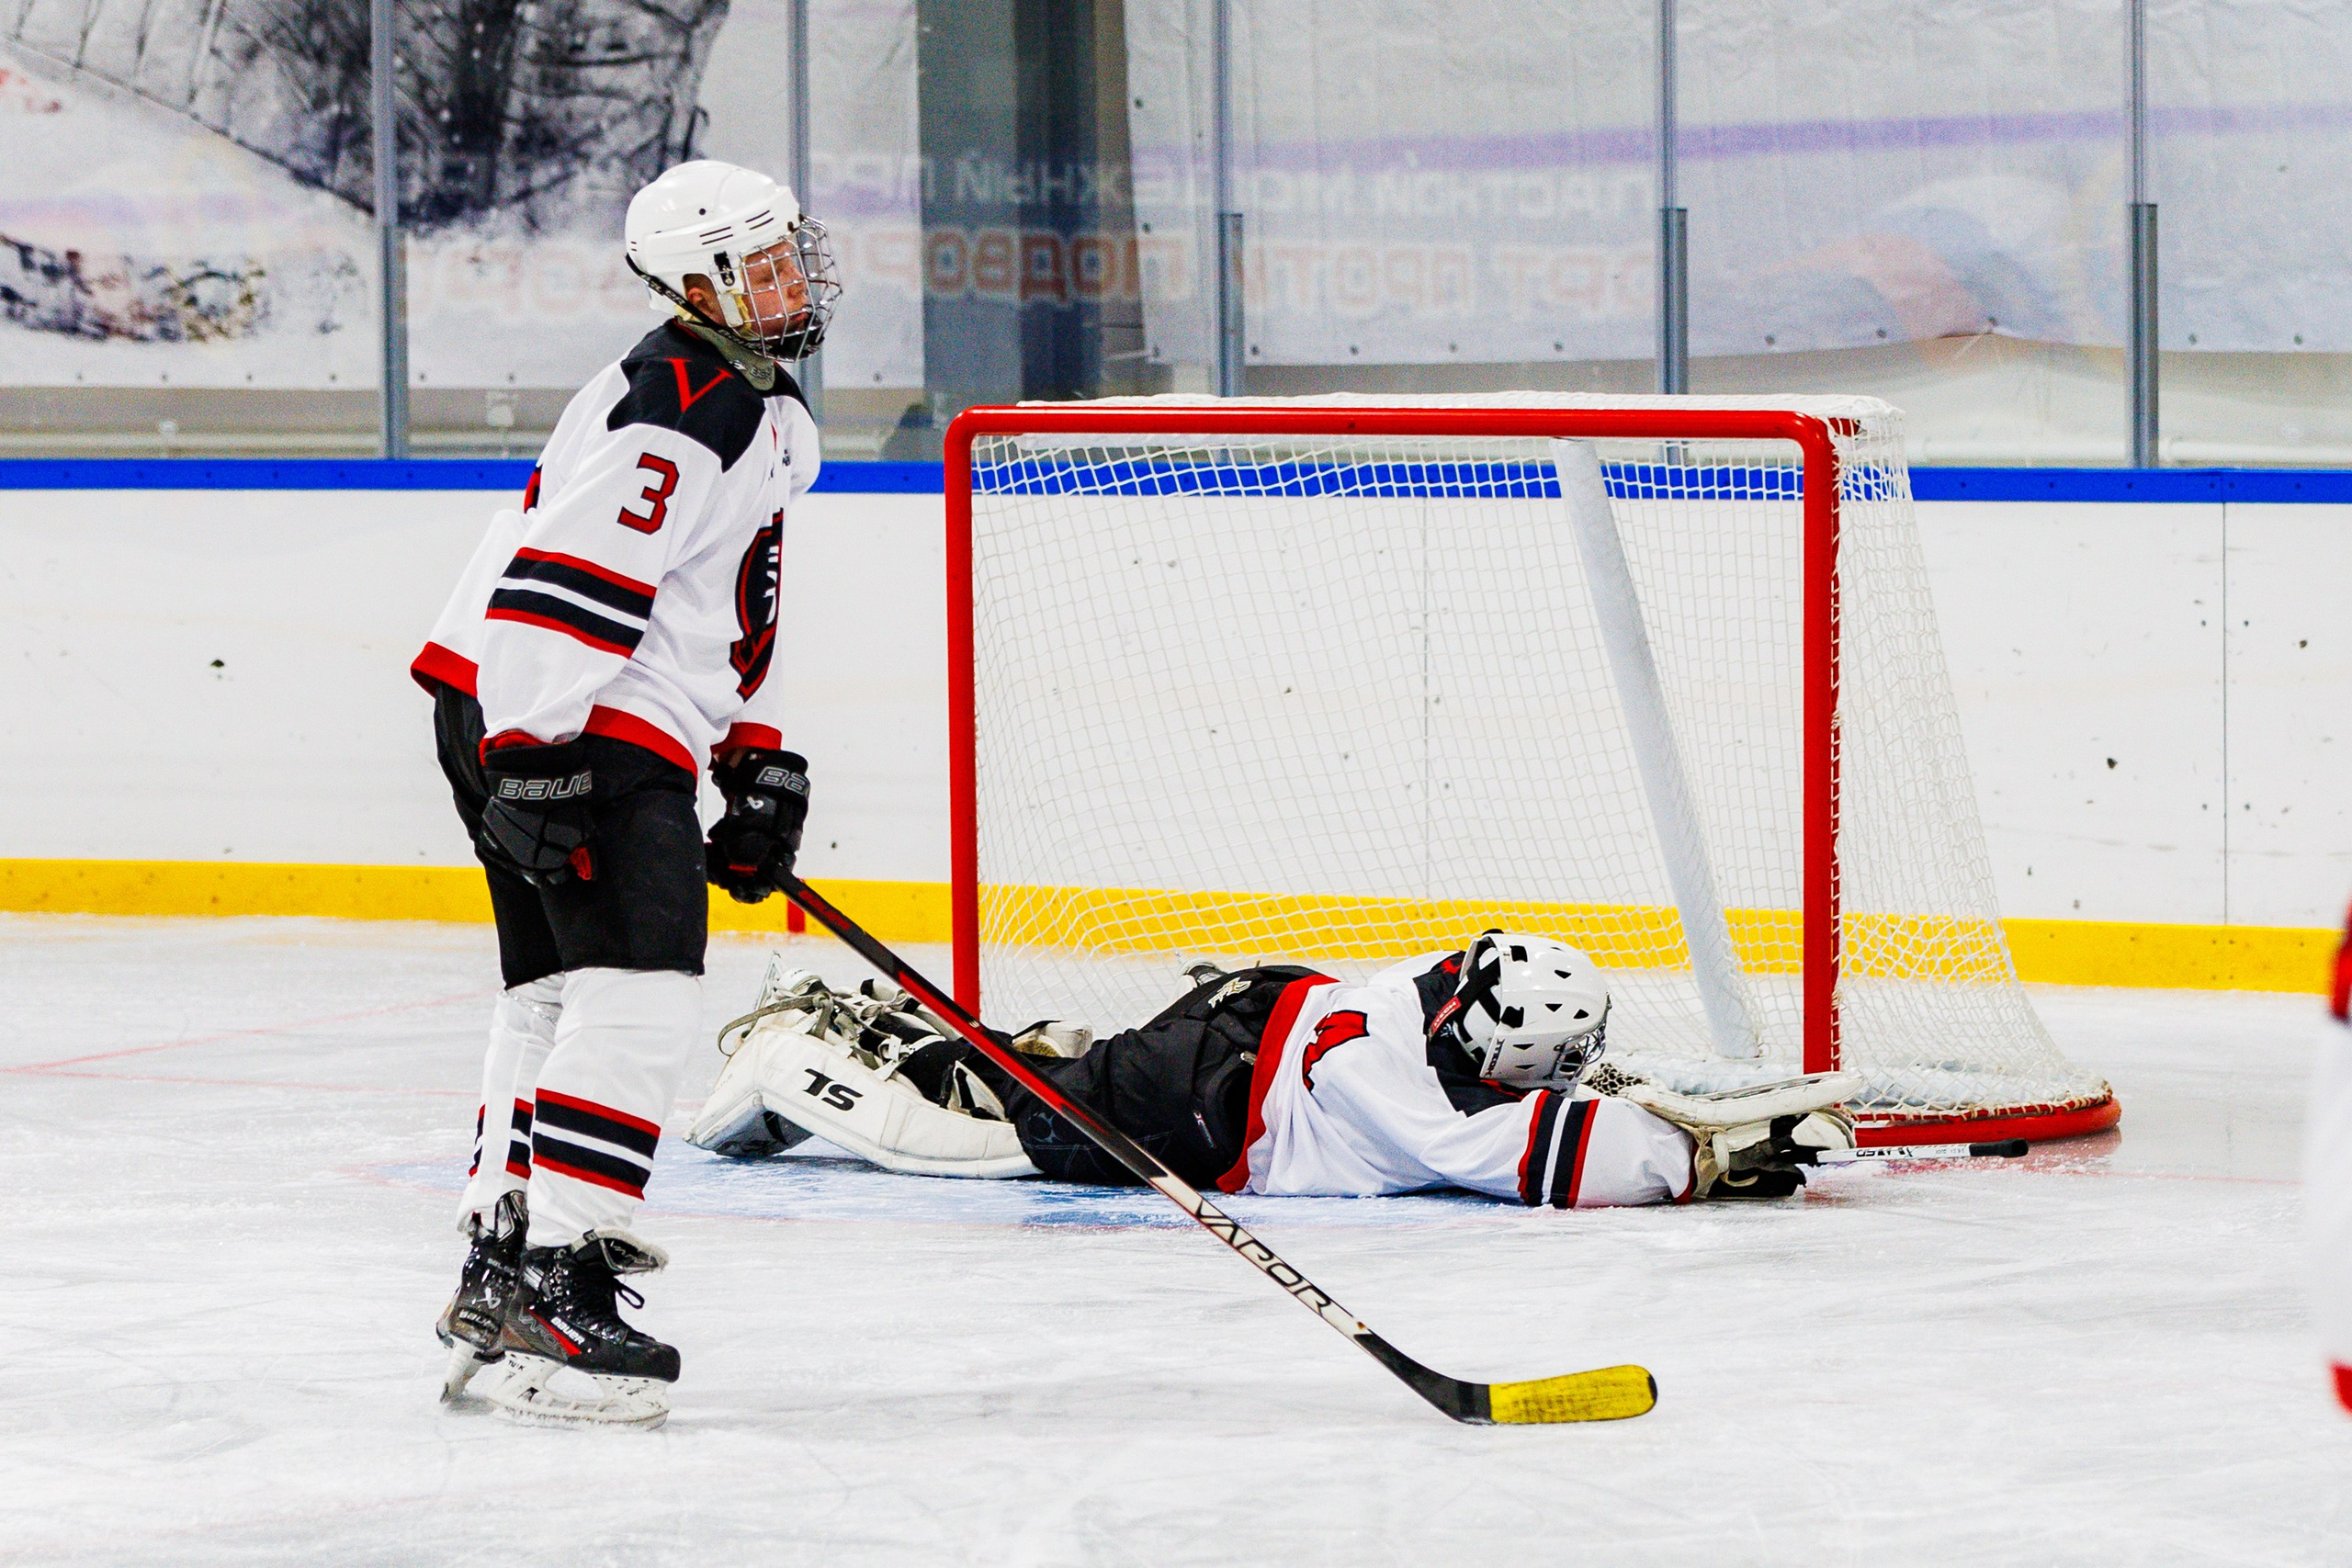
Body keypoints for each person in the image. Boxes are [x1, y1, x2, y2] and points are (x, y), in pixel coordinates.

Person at [411, 158, 840, 1428]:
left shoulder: (755, 405)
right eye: (755, 263)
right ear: (694, 283)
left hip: (534, 698)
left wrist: (750, 748)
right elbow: (563, 581)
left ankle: (503, 1264)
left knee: (553, 986)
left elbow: (715, 601)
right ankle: (562, 1273)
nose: (787, 279)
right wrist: (536, 747)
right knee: (640, 981)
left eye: (787, 254)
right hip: (565, 701)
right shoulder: (682, 399)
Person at [689, 931, 1858, 1210]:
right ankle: (796, 1060)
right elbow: (1509, 1151)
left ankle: (941, 1036)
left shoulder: (1448, 987)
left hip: (1241, 1029)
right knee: (1001, 1140)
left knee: (1072, 1073)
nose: (1567, 1075)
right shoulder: (1402, 1090)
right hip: (1200, 1102)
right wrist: (1701, 1161)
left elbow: (1526, 1098)